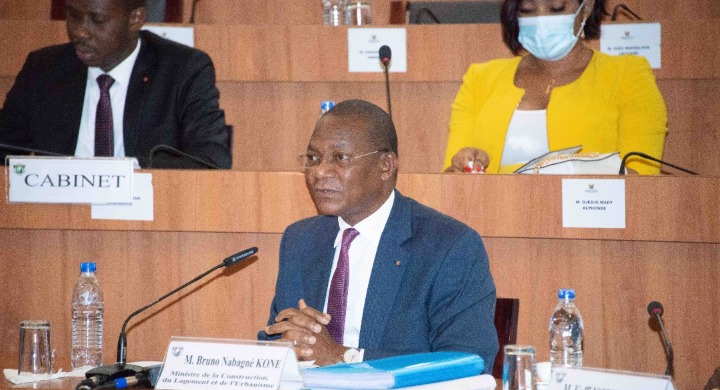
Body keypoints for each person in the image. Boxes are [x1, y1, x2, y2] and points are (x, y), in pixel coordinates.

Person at [259, 99, 498, 370]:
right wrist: (284, 347)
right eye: (313, 159)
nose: (320, 172)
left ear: (385, 165)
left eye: (340, 158)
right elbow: (275, 337)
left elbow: (468, 362)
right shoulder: (301, 240)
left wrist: (343, 357)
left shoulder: (449, 246)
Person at [443, 0, 667, 175]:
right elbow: (451, 176)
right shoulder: (480, 78)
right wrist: (462, 164)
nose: (541, 19)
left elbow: (641, 177)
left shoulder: (628, 75)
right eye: (527, 10)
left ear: (586, 7)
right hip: (492, 212)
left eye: (556, 8)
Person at [0, 0, 231, 169]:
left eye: (97, 20)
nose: (80, 32)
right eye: (73, 16)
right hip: (59, 212)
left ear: (135, 18)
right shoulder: (43, 69)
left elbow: (211, 159)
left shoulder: (182, 70)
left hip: (147, 214)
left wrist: (124, 175)